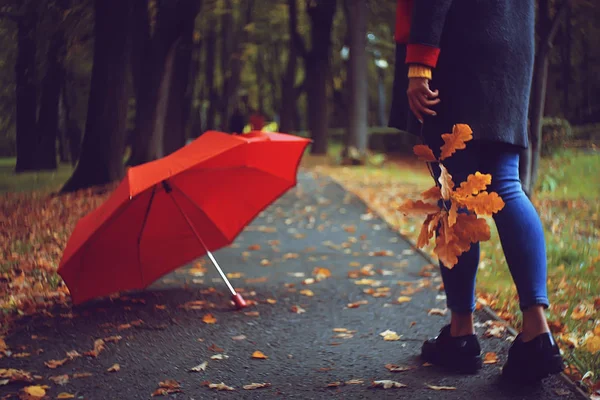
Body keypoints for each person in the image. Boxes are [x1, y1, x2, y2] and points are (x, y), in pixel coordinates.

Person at [389, 0, 564, 383]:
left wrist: (419, 65)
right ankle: (536, 332)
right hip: (511, 46)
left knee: (454, 195)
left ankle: (462, 333)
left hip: (456, 49)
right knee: (505, 185)